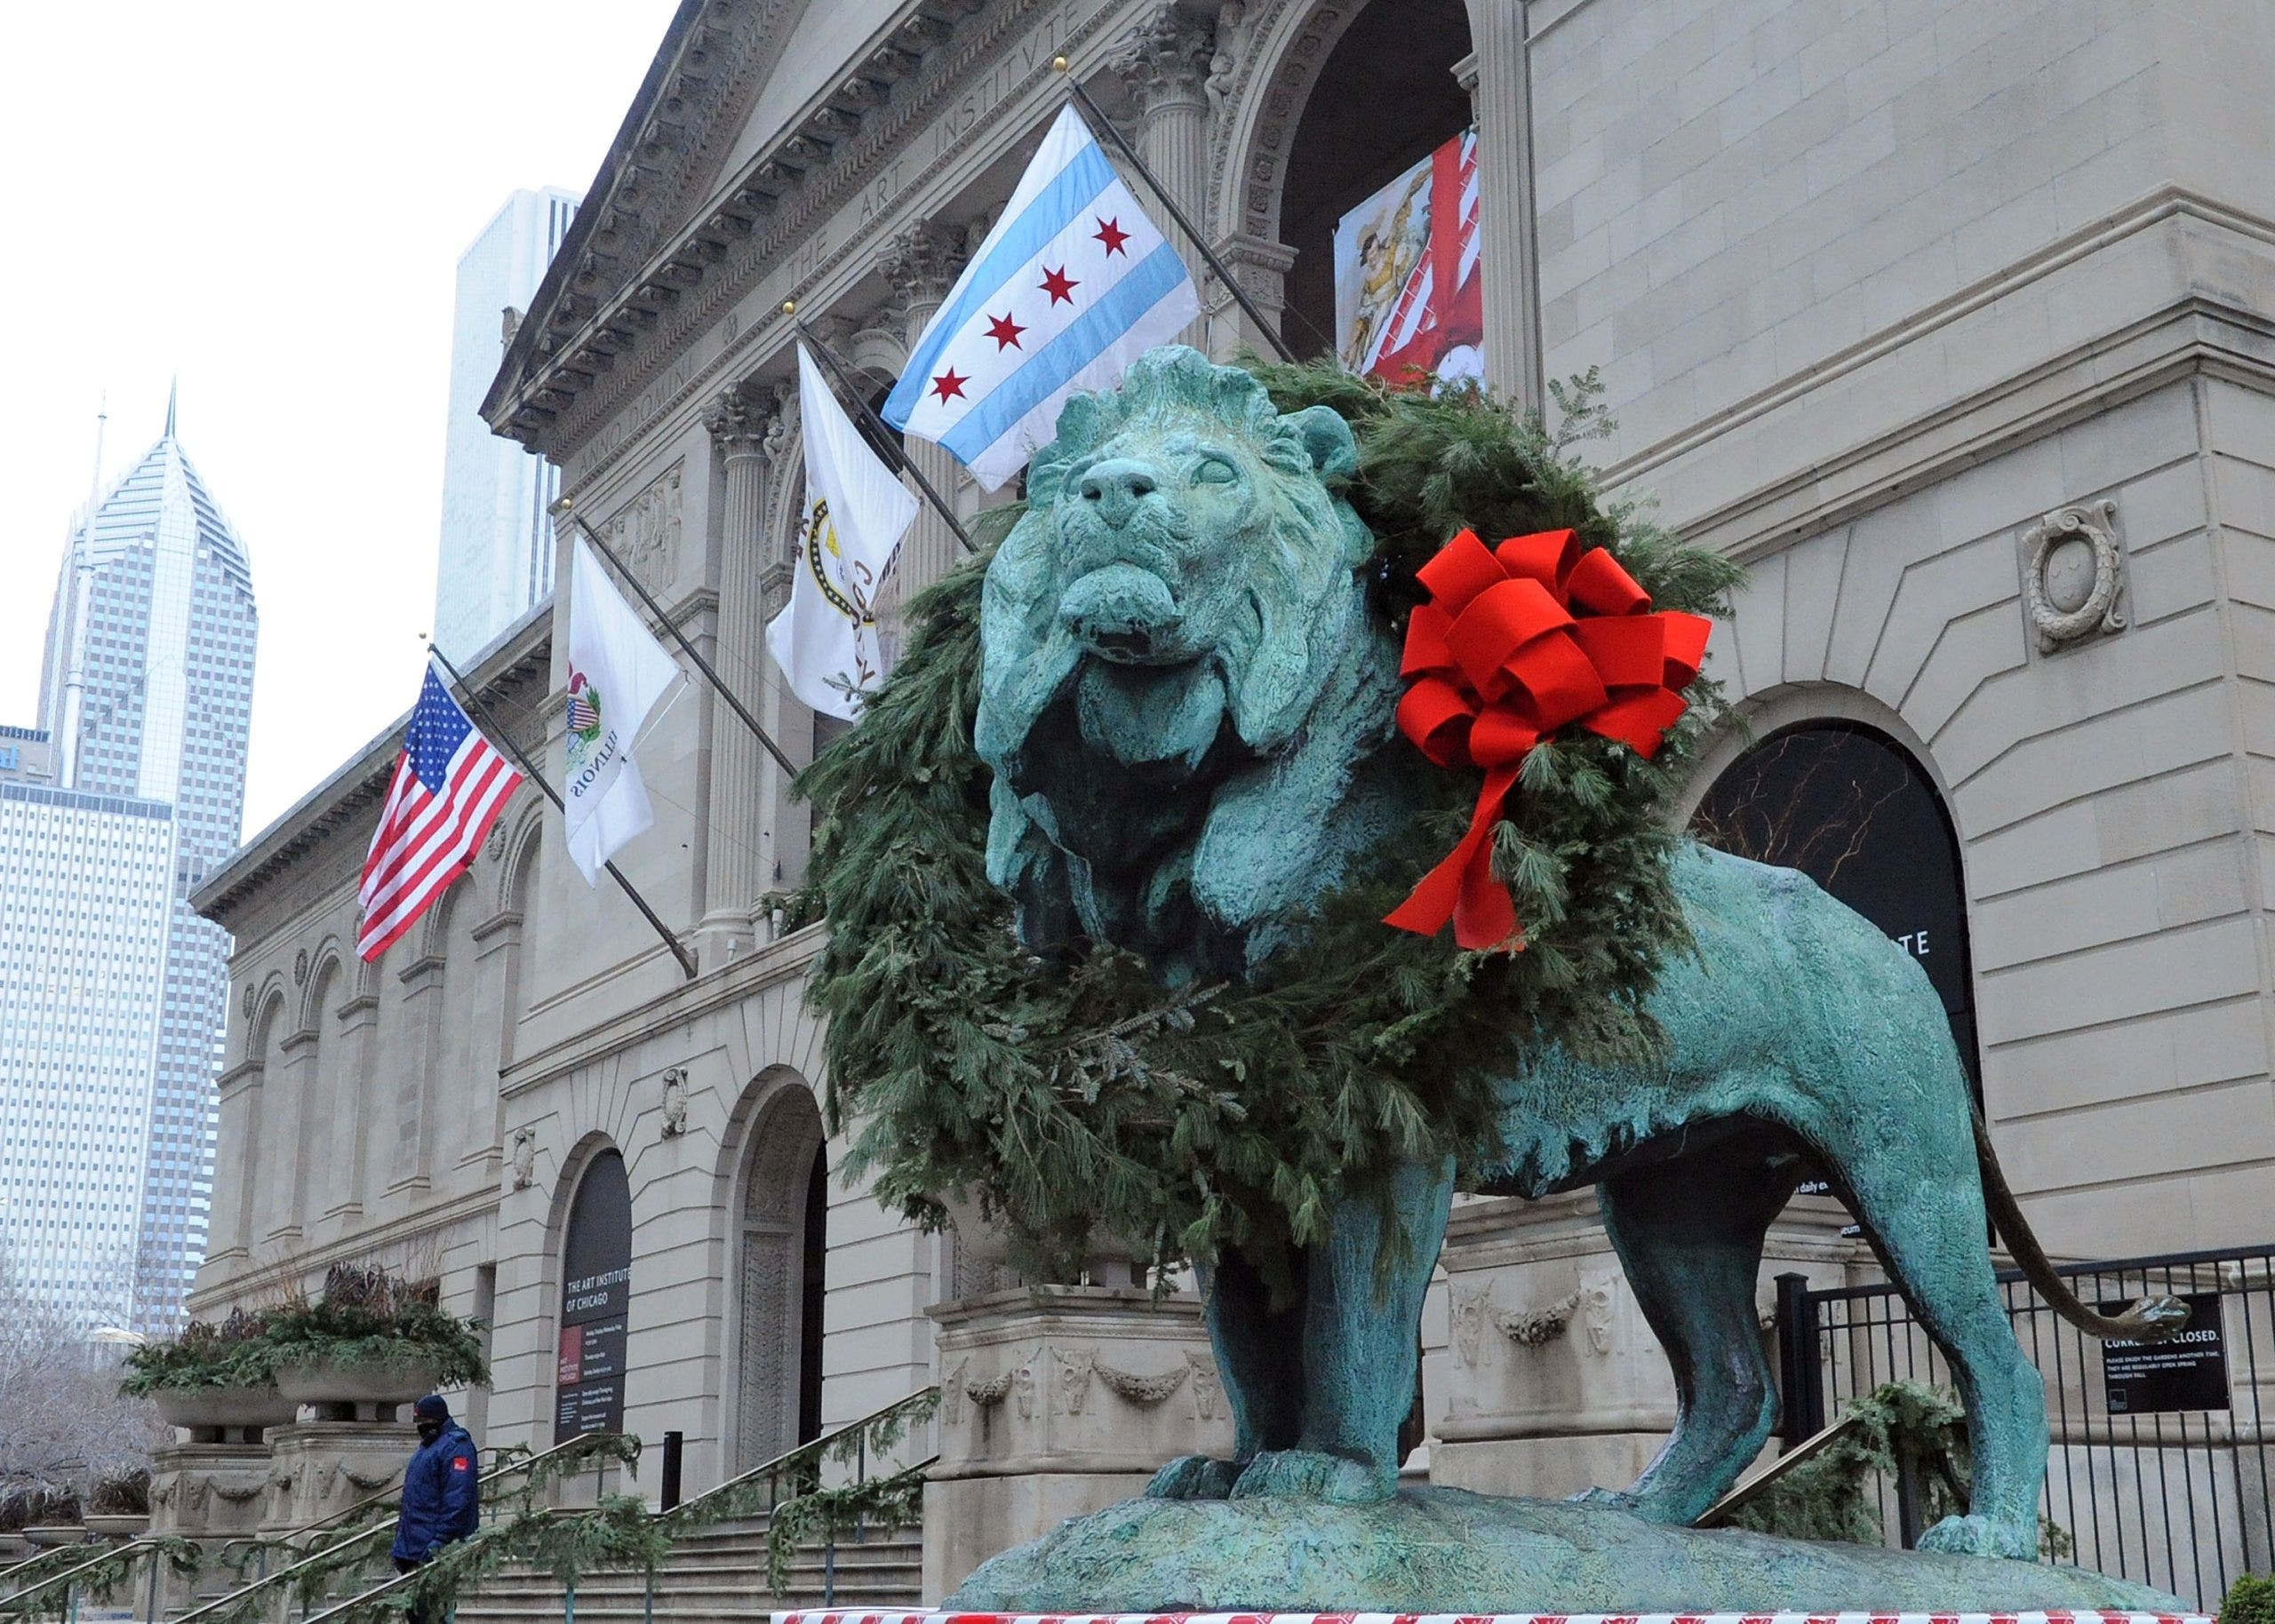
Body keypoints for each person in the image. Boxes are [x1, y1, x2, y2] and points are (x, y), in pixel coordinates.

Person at [392, 1395, 479, 1622]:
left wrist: (440, 1541)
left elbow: (458, 1498)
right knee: (416, 1612)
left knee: (430, 1612)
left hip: (432, 1544)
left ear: (438, 1419)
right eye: (418, 1421)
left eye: (425, 1420)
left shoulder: (456, 1446)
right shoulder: (428, 1447)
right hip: (413, 1546)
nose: (421, 1425)